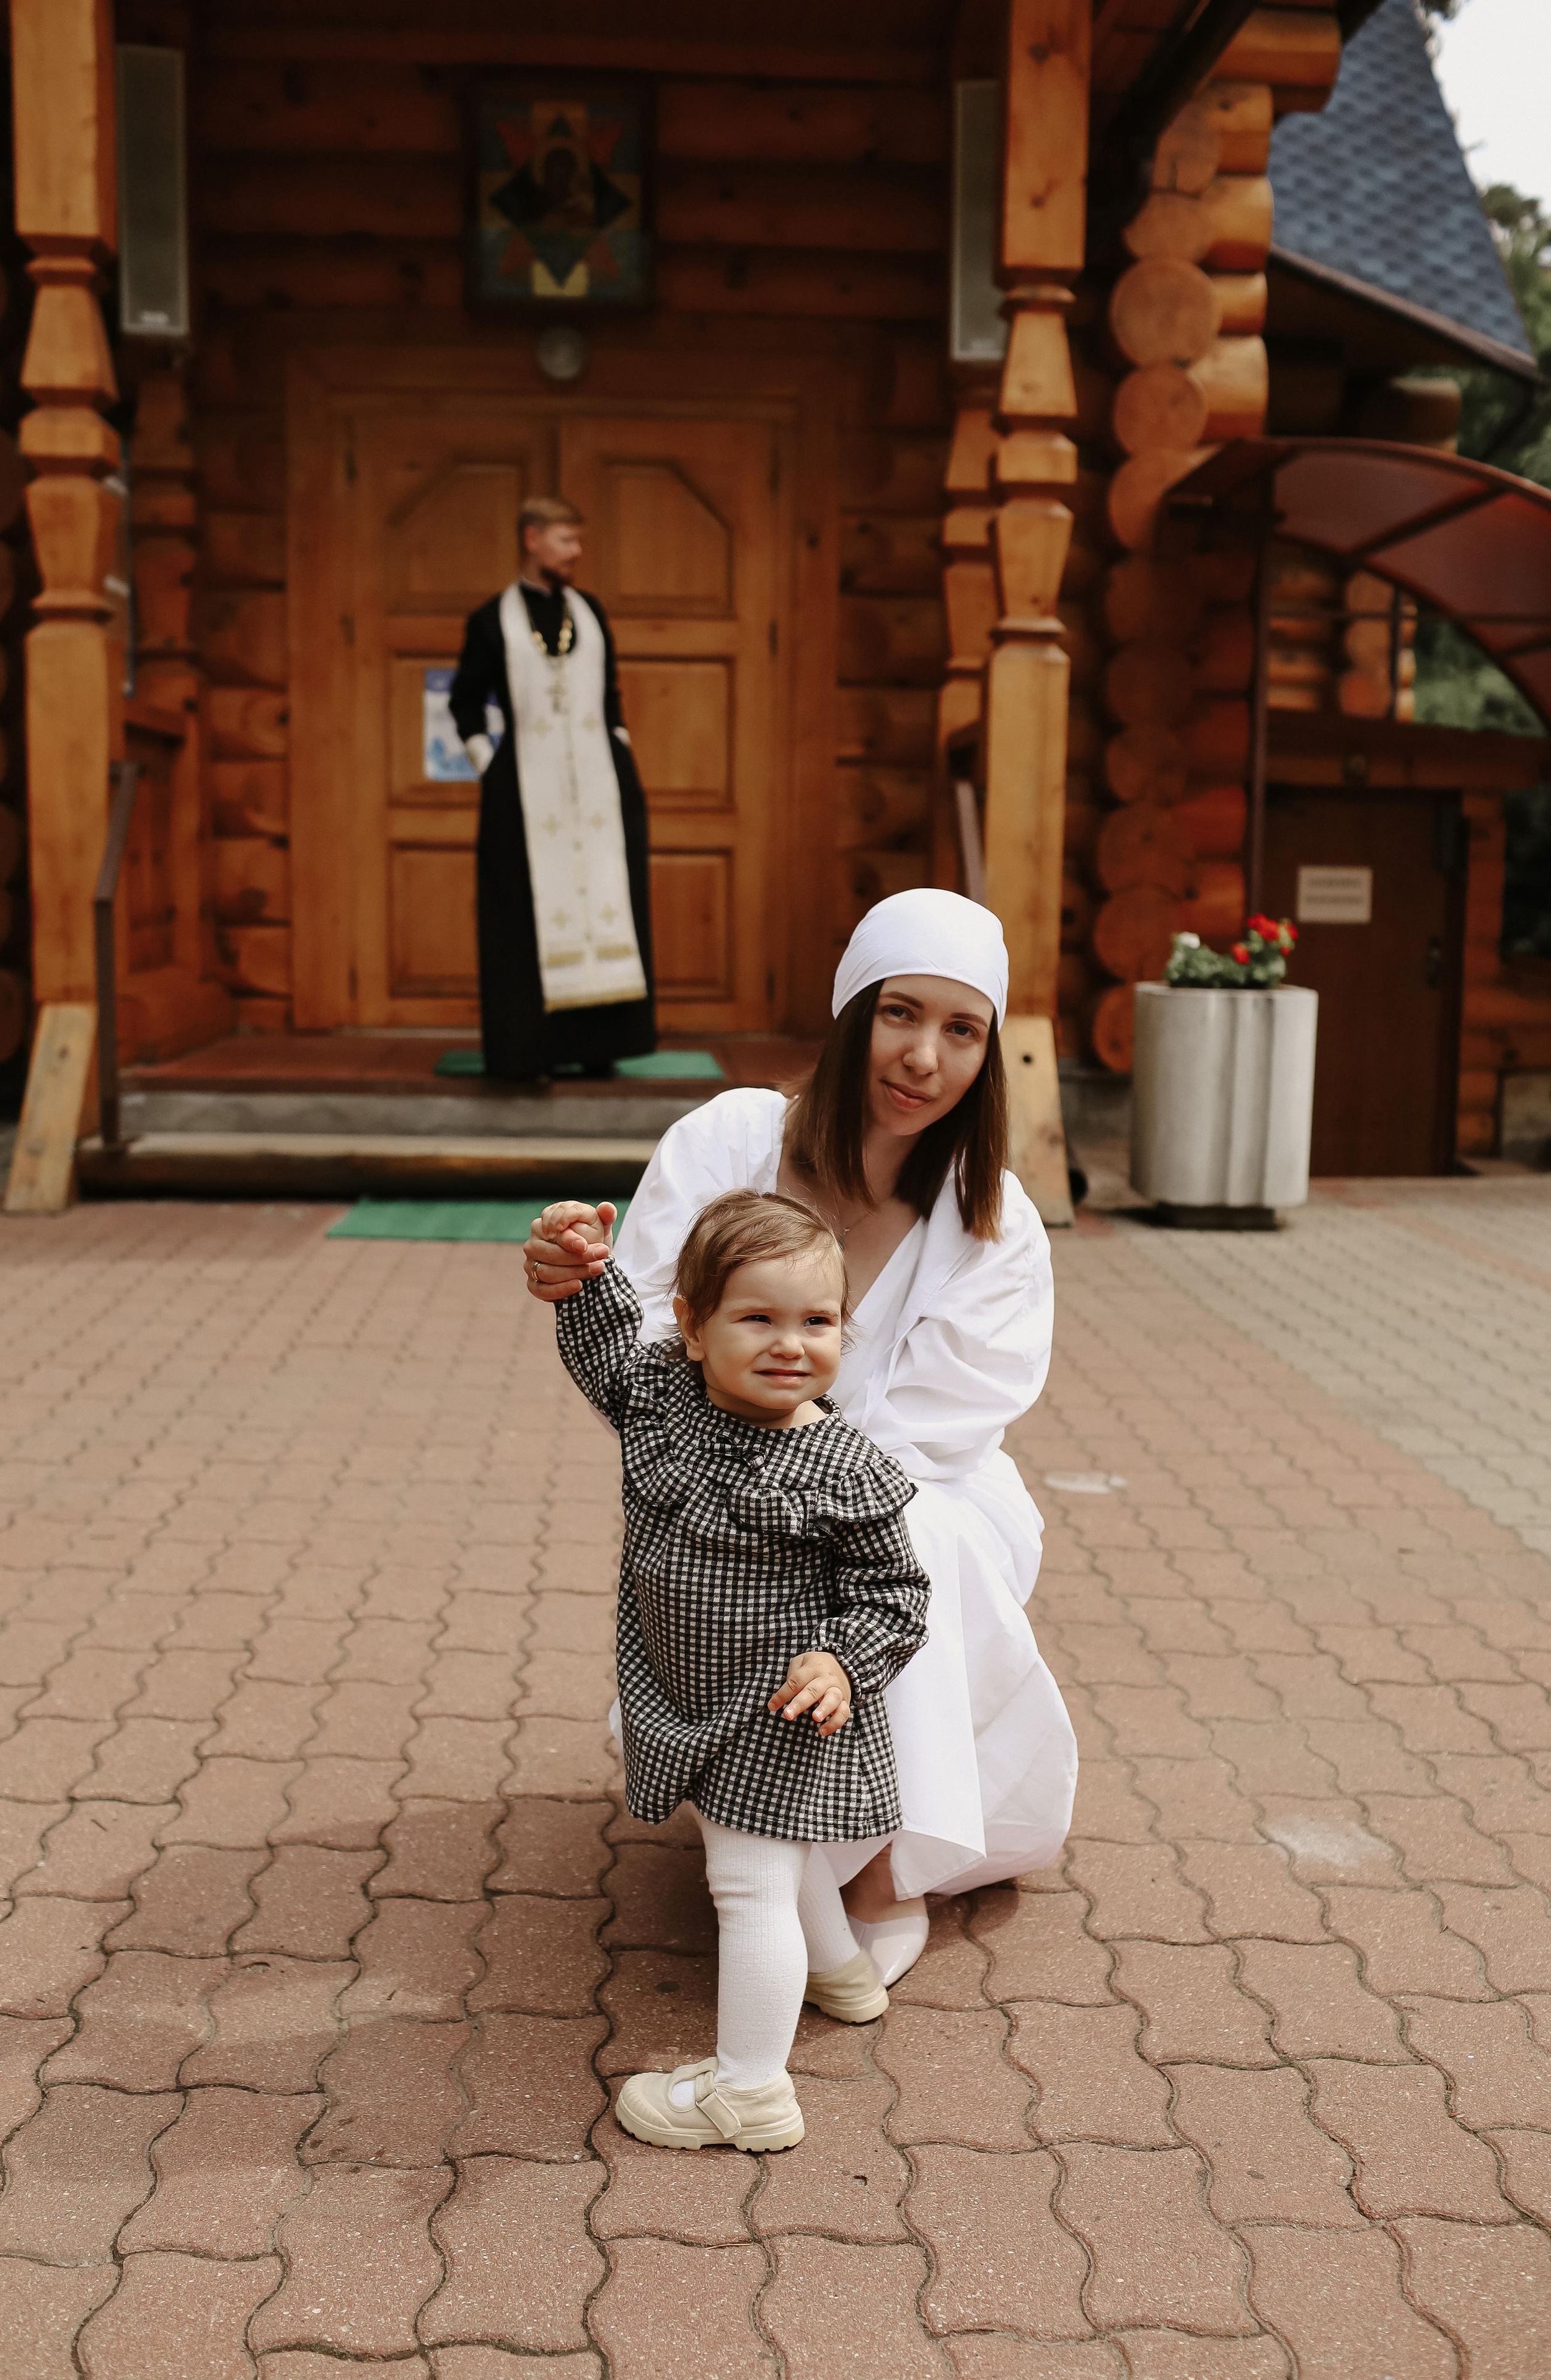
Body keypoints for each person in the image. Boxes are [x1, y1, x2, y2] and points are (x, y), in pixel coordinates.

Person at [525, 886, 1077, 1990]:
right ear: (852, 1012)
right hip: (724, 1479)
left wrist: (785, 1485)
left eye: (961, 1031)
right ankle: (776, 1812)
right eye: (899, 1014)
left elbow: (936, 1435)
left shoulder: (992, 1215)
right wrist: (569, 1285)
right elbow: (646, 1340)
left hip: (929, 1494)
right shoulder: (732, 1137)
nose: (924, 1057)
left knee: (902, 1532)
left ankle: (886, 1868)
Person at [547, 1188, 930, 2151]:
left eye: (818, 1321)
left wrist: (843, 1658)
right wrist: (585, 1270)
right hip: (688, 1690)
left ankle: (751, 2094)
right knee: (770, 1847)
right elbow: (600, 1353)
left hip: (781, 1708)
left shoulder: (844, 1467)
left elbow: (897, 1594)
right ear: (691, 1326)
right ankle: (841, 1972)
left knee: (750, 1882)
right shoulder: (663, 1398)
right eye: (757, 1318)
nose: (790, 1344)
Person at [448, 494, 656, 1082]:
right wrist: (489, 760)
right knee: (524, 911)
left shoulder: (588, 612)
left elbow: (610, 692)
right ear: (532, 539)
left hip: (599, 786)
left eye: (578, 540)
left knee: (608, 898)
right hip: (524, 788)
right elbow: (466, 701)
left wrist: (619, 747)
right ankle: (528, 1051)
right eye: (566, 540)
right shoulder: (491, 620)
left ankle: (599, 1046)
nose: (576, 552)